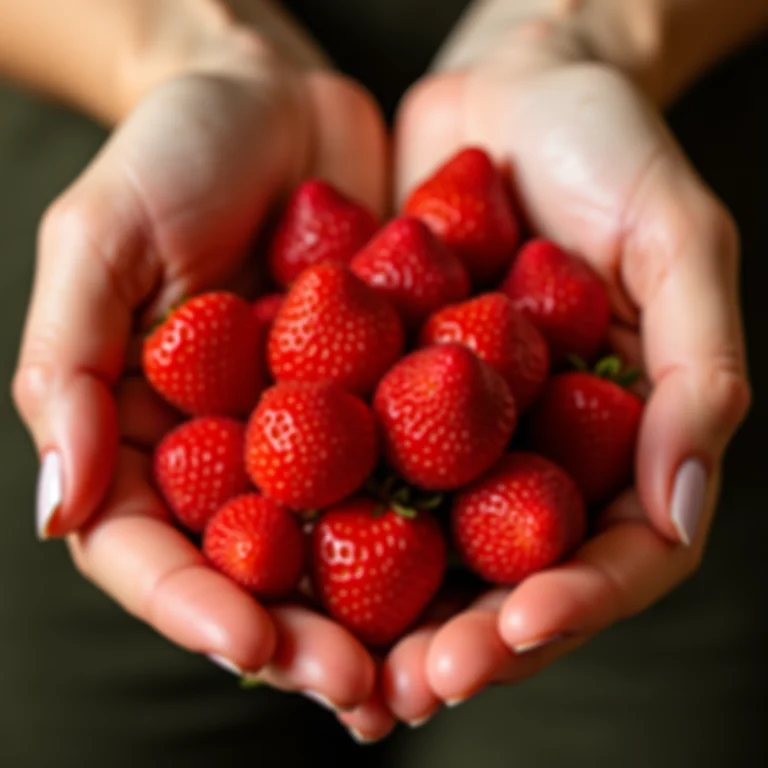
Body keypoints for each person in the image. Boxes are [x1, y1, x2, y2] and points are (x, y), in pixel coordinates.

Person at [0, 0, 765, 763]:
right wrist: (179, 46)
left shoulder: (433, 365)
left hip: (673, 170)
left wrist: (587, 32)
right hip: (126, 159)